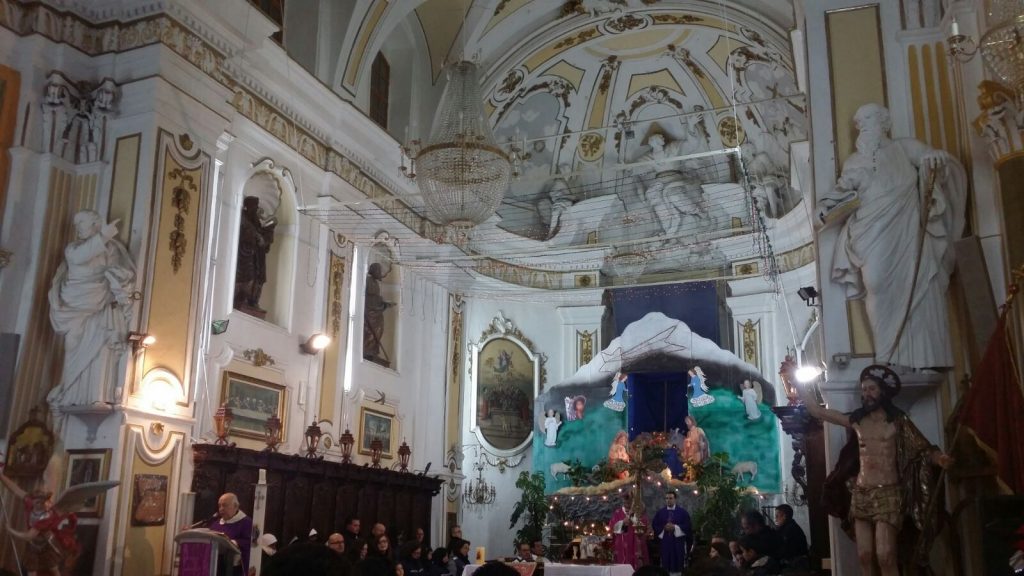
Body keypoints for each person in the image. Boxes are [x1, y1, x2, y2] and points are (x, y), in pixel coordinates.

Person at [818, 103, 966, 369]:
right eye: (859, 122)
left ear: (884, 123)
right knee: (875, 282)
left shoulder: (904, 147)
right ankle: (886, 350)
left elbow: (930, 161)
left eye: (867, 119)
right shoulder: (854, 161)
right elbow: (842, 192)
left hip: (906, 228)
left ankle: (919, 356)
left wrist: (935, 159)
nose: (861, 126)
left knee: (917, 282)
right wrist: (824, 207)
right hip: (870, 231)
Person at [801, 364, 953, 575]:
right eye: (864, 390)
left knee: (885, 555)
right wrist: (797, 381)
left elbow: (922, 449)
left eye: (871, 389)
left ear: (883, 391)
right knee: (864, 556)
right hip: (862, 492)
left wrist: (940, 459)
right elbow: (817, 411)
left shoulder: (898, 422)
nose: (867, 394)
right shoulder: (857, 421)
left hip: (888, 493)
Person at [47, 210, 135, 409]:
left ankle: (90, 393)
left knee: (97, 344)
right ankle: (69, 389)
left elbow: (119, 270)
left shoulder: (112, 248)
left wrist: (117, 278)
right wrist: (103, 236)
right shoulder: (73, 248)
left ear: (96, 224)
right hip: (75, 304)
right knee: (72, 342)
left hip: (99, 302)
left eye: (81, 223)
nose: (77, 228)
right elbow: (80, 257)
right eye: (76, 224)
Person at [233, 195, 276, 314]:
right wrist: (255, 237)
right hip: (245, 256)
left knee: (258, 279)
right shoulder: (242, 218)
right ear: (248, 206)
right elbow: (244, 233)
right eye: (254, 206)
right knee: (247, 277)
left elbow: (261, 235)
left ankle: (253, 301)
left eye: (256, 207)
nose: (256, 209)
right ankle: (242, 299)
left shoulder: (255, 220)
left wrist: (267, 232)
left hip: (258, 256)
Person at [204, 492, 253, 576]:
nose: (221, 509)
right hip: (216, 566)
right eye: (219, 506)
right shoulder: (216, 524)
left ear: (236, 506)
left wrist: (233, 542)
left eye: (224, 505)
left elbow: (250, 542)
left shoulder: (246, 523)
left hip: (235, 569)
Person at [651, 490, 693, 575]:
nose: (668, 500)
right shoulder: (660, 513)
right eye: (666, 498)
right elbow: (655, 525)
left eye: (670, 498)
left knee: (677, 563)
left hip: (677, 543)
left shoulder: (682, 512)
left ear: (675, 499)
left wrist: (675, 527)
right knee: (665, 564)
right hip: (665, 542)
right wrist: (664, 528)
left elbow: (687, 526)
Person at [608, 492, 649, 569]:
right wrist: (623, 522)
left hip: (635, 543)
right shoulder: (617, 513)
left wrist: (632, 516)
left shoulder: (638, 512)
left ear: (633, 502)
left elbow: (644, 525)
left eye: (629, 502)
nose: (627, 504)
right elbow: (612, 527)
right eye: (625, 502)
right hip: (621, 544)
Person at [363, 262, 393, 365]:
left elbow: (375, 298)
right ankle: (367, 349)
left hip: (377, 313)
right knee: (370, 332)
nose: (380, 273)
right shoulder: (368, 281)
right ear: (374, 271)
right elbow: (368, 298)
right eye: (378, 271)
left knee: (379, 329)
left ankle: (373, 350)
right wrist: (382, 304)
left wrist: (384, 304)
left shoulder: (375, 283)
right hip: (370, 313)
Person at [681, 415, 710, 482]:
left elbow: (705, 440)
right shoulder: (688, 433)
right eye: (686, 421)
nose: (687, 422)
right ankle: (691, 480)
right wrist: (686, 444)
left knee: (698, 468)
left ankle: (698, 481)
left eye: (688, 421)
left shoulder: (698, 430)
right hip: (691, 453)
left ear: (692, 421)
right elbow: (687, 444)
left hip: (698, 452)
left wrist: (702, 445)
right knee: (690, 468)